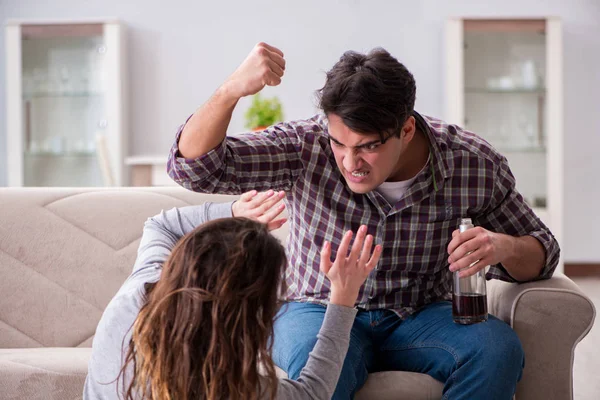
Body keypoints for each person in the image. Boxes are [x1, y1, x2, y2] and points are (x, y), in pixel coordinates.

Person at [167, 43, 561, 399]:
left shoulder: (471, 162)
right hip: (315, 307)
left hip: (420, 315)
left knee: (497, 349)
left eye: (369, 147)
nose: (350, 163)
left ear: (406, 130)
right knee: (319, 367)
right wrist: (230, 90)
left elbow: (543, 253)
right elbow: (194, 170)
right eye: (340, 144)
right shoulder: (305, 146)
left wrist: (504, 246)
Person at [83, 189, 383, 400]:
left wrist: (235, 213)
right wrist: (343, 297)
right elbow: (314, 392)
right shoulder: (225, 387)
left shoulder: (138, 293)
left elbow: (160, 224)